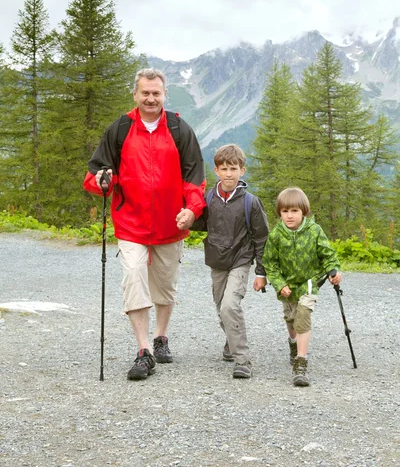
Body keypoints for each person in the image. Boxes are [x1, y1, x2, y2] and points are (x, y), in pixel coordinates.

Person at [84, 68, 206, 381]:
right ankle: (143, 351)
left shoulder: (180, 129)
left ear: (164, 95)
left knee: (164, 286)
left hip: (170, 223)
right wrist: (102, 182)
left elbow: (194, 177)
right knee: (133, 277)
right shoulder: (121, 129)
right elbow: (97, 175)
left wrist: (192, 210)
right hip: (131, 223)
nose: (150, 98)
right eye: (145, 93)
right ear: (136, 95)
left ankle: (160, 337)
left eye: (156, 93)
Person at [178, 144, 269, 379]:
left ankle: (243, 360)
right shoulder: (209, 198)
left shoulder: (251, 203)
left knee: (230, 306)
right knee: (221, 309)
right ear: (216, 171)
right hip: (217, 261)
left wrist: (261, 271)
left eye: (233, 168)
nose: (229, 173)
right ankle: (231, 340)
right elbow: (202, 224)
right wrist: (187, 220)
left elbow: (261, 239)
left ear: (242, 171)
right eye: (224, 168)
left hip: (240, 260)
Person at [259, 187, 342, 386]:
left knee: (303, 316)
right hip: (287, 286)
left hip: (309, 284)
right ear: (279, 212)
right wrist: (279, 285)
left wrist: (334, 270)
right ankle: (293, 344)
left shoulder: (314, 230)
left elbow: (327, 254)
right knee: (291, 319)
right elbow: (270, 263)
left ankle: (301, 362)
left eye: (294, 211)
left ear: (304, 211)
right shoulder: (276, 235)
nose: (289, 216)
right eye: (285, 211)